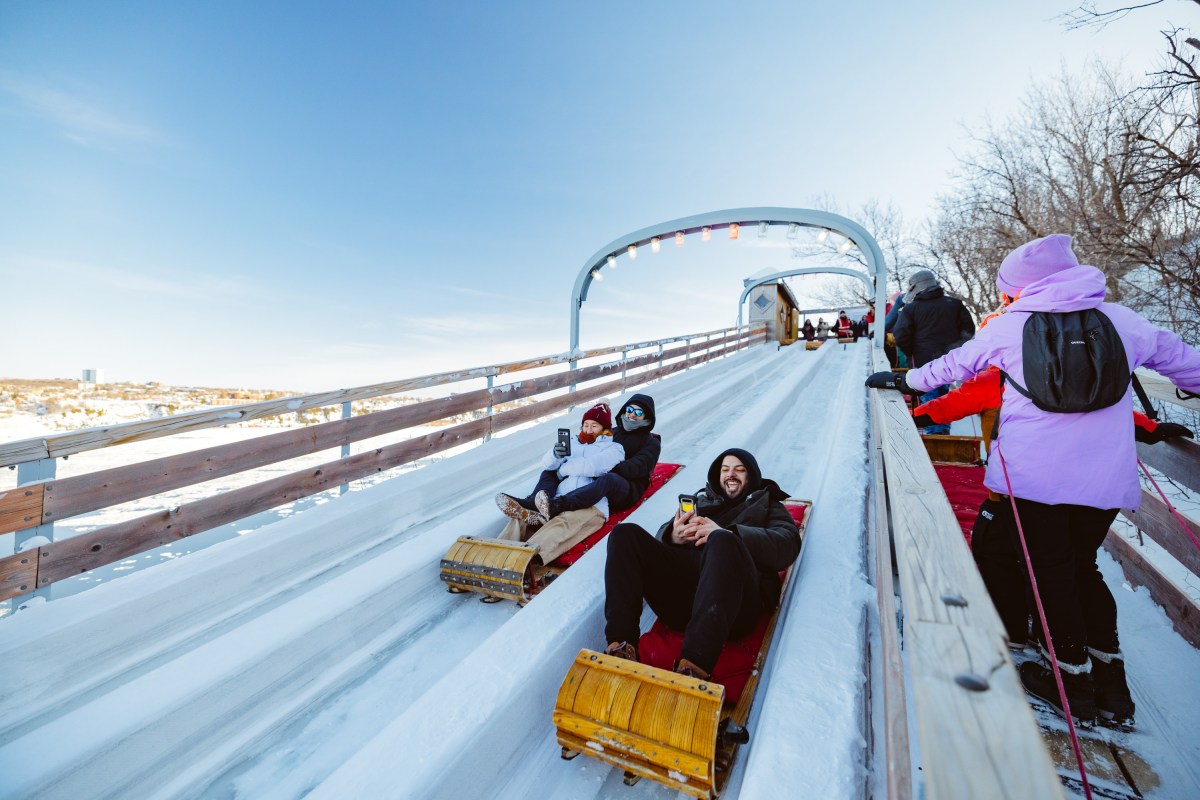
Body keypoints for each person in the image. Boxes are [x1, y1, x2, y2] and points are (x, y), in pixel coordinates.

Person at [867, 233, 1200, 724]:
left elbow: (957, 365)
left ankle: (1070, 684)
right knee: (1082, 566)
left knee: (1050, 574)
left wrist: (907, 381)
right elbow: (1190, 368)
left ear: (1021, 287)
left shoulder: (1010, 327)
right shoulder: (1123, 321)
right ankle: (1111, 685)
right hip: (1105, 480)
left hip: (1033, 479)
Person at [600, 449, 802, 679]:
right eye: (725, 470)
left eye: (739, 469)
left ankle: (694, 667)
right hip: (685, 601)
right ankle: (621, 646)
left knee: (722, 540)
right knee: (625, 535)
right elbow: (660, 539)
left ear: (751, 475)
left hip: (734, 608)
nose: (731, 474)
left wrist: (731, 533)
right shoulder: (703, 500)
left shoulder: (768, 504)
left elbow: (787, 544)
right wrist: (674, 535)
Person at [493, 402, 624, 561]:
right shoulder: (573, 442)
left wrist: (562, 470)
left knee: (563, 522)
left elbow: (592, 467)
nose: (588, 430)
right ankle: (494, 553)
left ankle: (522, 560)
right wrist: (555, 455)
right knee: (522, 517)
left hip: (592, 504)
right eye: (586, 425)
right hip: (558, 500)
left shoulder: (614, 448)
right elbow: (548, 466)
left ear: (605, 429)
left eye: (594, 426)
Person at [535, 394, 661, 519]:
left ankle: (558, 505)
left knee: (609, 479)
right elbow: (590, 450)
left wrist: (601, 465)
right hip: (595, 478)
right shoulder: (612, 432)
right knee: (551, 471)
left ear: (647, 418)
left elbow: (637, 467)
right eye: (629, 409)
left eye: (638, 412)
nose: (632, 414)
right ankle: (533, 504)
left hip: (625, 488)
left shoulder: (651, 442)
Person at [892, 269, 975, 435]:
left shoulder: (911, 309)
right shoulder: (954, 304)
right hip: (951, 361)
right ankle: (943, 432)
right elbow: (969, 330)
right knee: (945, 398)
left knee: (929, 396)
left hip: (924, 361)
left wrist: (911, 352)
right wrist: (957, 349)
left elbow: (901, 335)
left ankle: (934, 435)